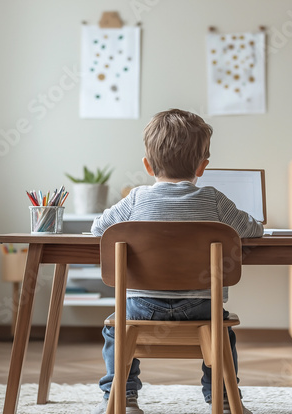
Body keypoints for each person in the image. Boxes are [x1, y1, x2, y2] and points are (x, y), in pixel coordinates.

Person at [90, 109, 263, 414]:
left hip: (142, 308)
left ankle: (122, 397)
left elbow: (99, 229)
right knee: (224, 331)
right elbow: (252, 229)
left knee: (114, 329)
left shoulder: (134, 199)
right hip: (201, 308)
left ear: (147, 164)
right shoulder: (213, 198)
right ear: (202, 166)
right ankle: (222, 398)